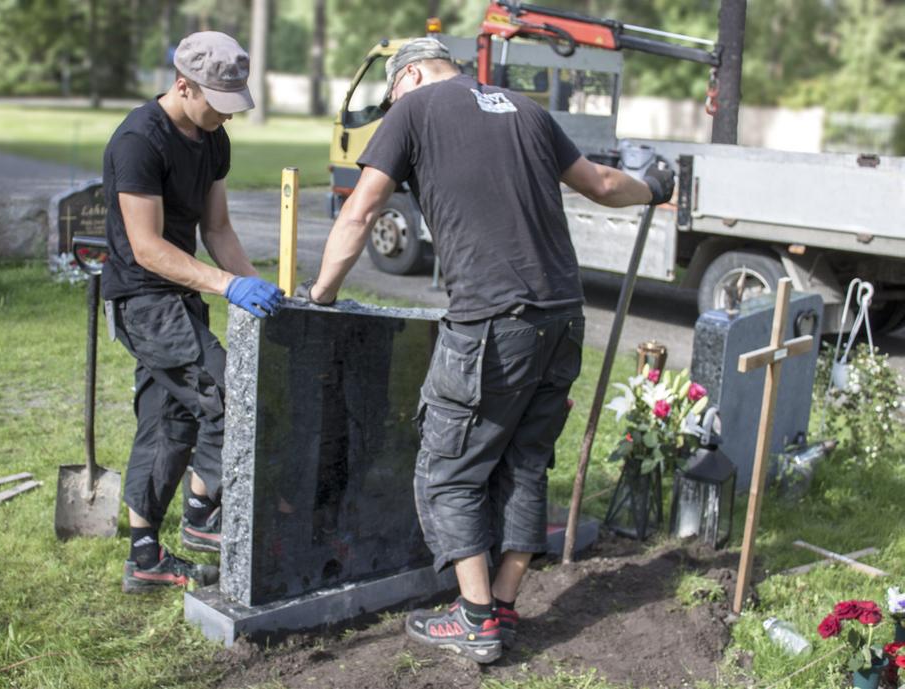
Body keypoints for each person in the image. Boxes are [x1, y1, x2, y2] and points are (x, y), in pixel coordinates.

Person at [297, 38, 674, 662]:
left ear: (410, 74)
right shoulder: (526, 110)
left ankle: (474, 620)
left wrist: (322, 295)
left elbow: (361, 211)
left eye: (392, 90)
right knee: (524, 463)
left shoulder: (411, 112)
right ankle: (500, 603)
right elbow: (604, 185)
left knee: (449, 469)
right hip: (563, 320)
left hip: (494, 324)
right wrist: (655, 190)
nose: (393, 101)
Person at [101, 31, 284, 593]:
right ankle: (204, 515)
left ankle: (145, 557)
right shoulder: (138, 140)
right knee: (232, 396)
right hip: (143, 299)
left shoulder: (213, 138)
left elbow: (218, 228)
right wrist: (228, 286)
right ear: (183, 85)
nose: (225, 116)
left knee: (168, 423)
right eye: (217, 103)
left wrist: (259, 289)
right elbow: (148, 247)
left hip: (180, 295)